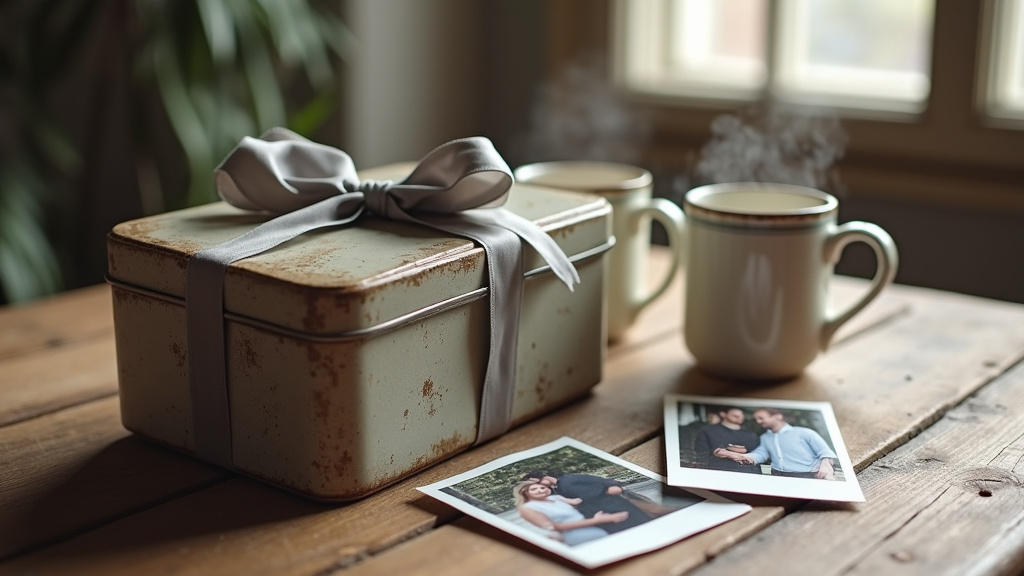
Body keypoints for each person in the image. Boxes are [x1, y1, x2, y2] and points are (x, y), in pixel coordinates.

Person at [519, 471, 655, 533]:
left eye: (540, 483)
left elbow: (592, 493)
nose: (541, 487)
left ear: (544, 477)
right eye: (534, 487)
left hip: (612, 507)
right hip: (607, 510)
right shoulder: (560, 487)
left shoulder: (567, 482)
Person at [722, 408, 838, 479]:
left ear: (778, 416)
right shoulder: (765, 437)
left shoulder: (804, 432)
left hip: (806, 475)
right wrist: (745, 457)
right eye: (756, 419)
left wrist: (825, 466)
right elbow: (761, 453)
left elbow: (825, 453)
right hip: (777, 475)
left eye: (761, 418)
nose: (758, 422)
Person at [513, 481, 627, 546]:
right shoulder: (528, 507)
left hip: (595, 529)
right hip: (576, 536)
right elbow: (553, 527)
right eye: (534, 489)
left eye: (542, 487)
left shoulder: (556, 498)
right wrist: (596, 520)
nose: (540, 490)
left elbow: (578, 501)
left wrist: (593, 491)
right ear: (525, 492)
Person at [692, 406, 761, 473]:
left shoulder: (750, 434)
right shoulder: (708, 431)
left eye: (741, 415)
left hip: (747, 471)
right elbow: (701, 453)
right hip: (717, 471)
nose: (740, 417)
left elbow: (756, 455)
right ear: (723, 414)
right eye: (735, 416)